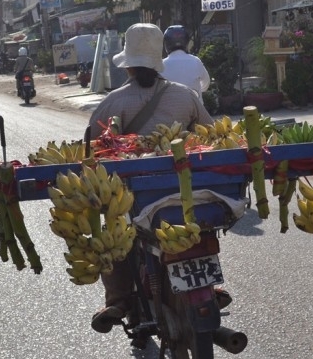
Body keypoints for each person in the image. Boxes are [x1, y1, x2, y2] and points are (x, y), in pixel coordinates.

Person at [87, 23, 220, 333]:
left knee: (114, 234)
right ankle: (209, 287)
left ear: (128, 65)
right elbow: (212, 136)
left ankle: (118, 300)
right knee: (197, 229)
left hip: (135, 199)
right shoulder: (186, 96)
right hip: (186, 195)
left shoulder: (113, 103)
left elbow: (92, 149)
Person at [159, 25, 210, 95]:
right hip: (194, 104)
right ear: (186, 41)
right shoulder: (195, 61)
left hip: (169, 104)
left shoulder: (160, 65)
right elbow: (205, 85)